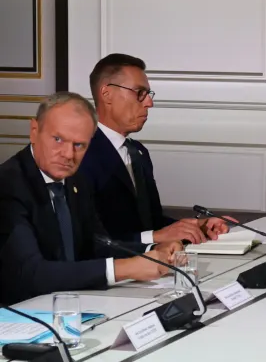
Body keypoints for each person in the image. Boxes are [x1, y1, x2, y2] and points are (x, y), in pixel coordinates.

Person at [0, 93, 181, 304]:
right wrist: (124, 268)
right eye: (58, 140)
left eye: (79, 145)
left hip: (72, 304)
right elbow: (33, 274)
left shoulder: (76, 180)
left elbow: (96, 243)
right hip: (19, 315)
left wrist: (153, 251)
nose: (68, 154)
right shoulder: (8, 185)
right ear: (34, 131)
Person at [78, 54, 232, 244]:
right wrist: (155, 236)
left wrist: (197, 227)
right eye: (139, 92)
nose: (149, 103)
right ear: (107, 94)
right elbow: (89, 240)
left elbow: (151, 222)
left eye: (148, 94)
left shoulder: (138, 152)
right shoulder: (79, 153)